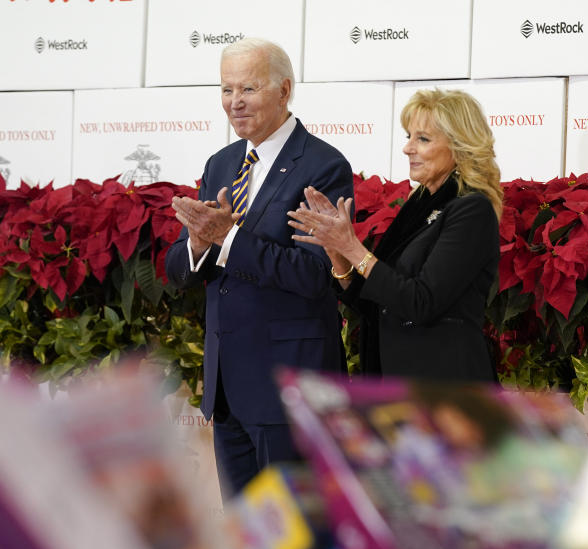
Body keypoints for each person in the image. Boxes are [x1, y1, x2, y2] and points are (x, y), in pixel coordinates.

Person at [165, 37, 353, 498]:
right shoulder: (222, 163)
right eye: (226, 89)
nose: (234, 103)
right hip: (227, 389)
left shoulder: (322, 165)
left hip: (288, 388)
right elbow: (181, 270)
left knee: (294, 546)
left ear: (284, 90)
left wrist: (227, 237)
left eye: (247, 89)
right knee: (248, 546)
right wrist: (197, 241)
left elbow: (313, 275)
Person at [287, 89, 501, 383]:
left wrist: (351, 246)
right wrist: (336, 252)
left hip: (446, 389)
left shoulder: (472, 210)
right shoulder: (420, 202)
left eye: (422, 139)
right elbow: (374, 301)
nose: (408, 148)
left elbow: (420, 302)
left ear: (460, 147)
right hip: (399, 384)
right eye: (408, 137)